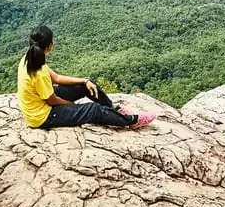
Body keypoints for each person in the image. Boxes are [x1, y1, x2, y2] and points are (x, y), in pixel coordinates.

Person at [17, 25, 156, 130]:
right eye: (53, 40)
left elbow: (56, 78)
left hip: (42, 102)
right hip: (42, 116)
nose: (55, 43)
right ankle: (131, 121)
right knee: (93, 109)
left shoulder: (29, 58)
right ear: (49, 46)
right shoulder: (38, 71)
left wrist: (85, 80)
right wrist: (72, 106)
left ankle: (113, 109)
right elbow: (52, 100)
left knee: (87, 86)